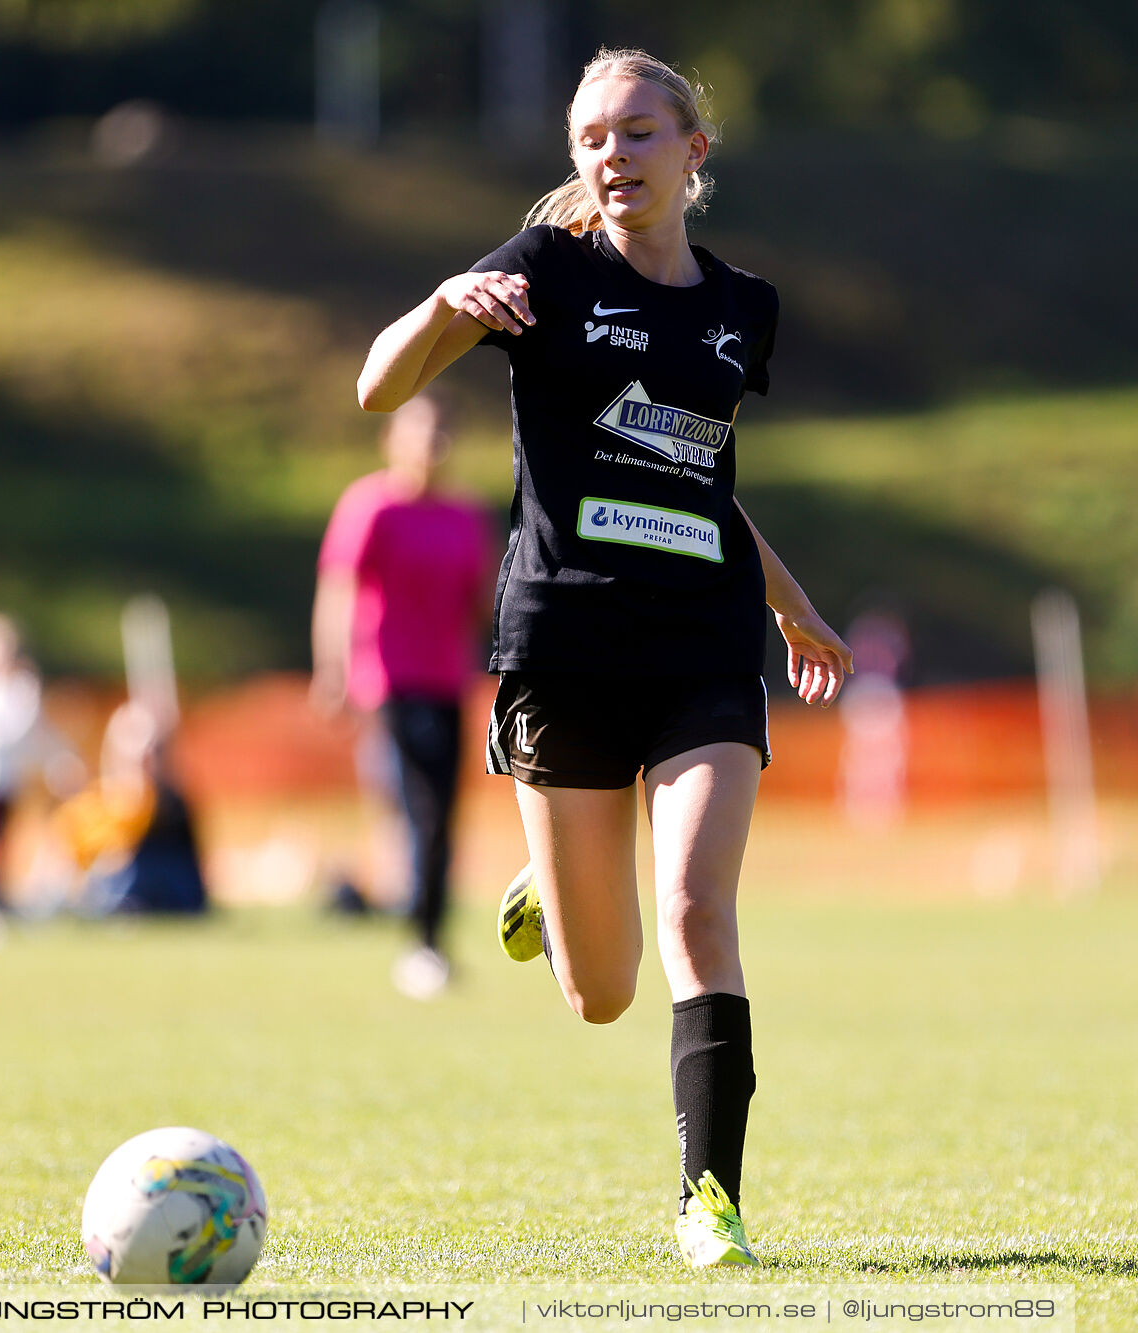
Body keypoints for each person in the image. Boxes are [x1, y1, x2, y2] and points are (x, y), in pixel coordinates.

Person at [354, 48, 852, 1265]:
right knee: (601, 992)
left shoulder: (744, 310)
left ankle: (709, 1202)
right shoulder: (536, 274)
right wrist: (442, 307)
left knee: (695, 906)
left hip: (701, 647)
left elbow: (700, 480)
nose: (611, 155)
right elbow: (375, 392)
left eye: (637, 133)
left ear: (693, 151)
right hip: (562, 646)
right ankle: (549, 871)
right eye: (590, 138)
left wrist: (788, 604)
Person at [311, 393, 494, 999]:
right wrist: (331, 669)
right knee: (417, 808)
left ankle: (428, 937)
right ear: (394, 441)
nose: (432, 444)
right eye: (421, 433)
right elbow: (338, 590)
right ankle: (423, 940)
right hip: (389, 682)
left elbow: (481, 601)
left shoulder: (465, 516)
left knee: (441, 815)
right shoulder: (371, 506)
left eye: (442, 433)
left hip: (447, 682)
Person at [0, 612, 79, 943]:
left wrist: (59, 762)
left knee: (5, 841)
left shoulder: (18, 689)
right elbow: (0, 734)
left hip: (9, 779)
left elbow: (35, 734)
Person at [51, 701, 209, 917]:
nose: (143, 753)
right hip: (116, 890)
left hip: (168, 892)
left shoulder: (169, 802)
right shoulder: (101, 798)